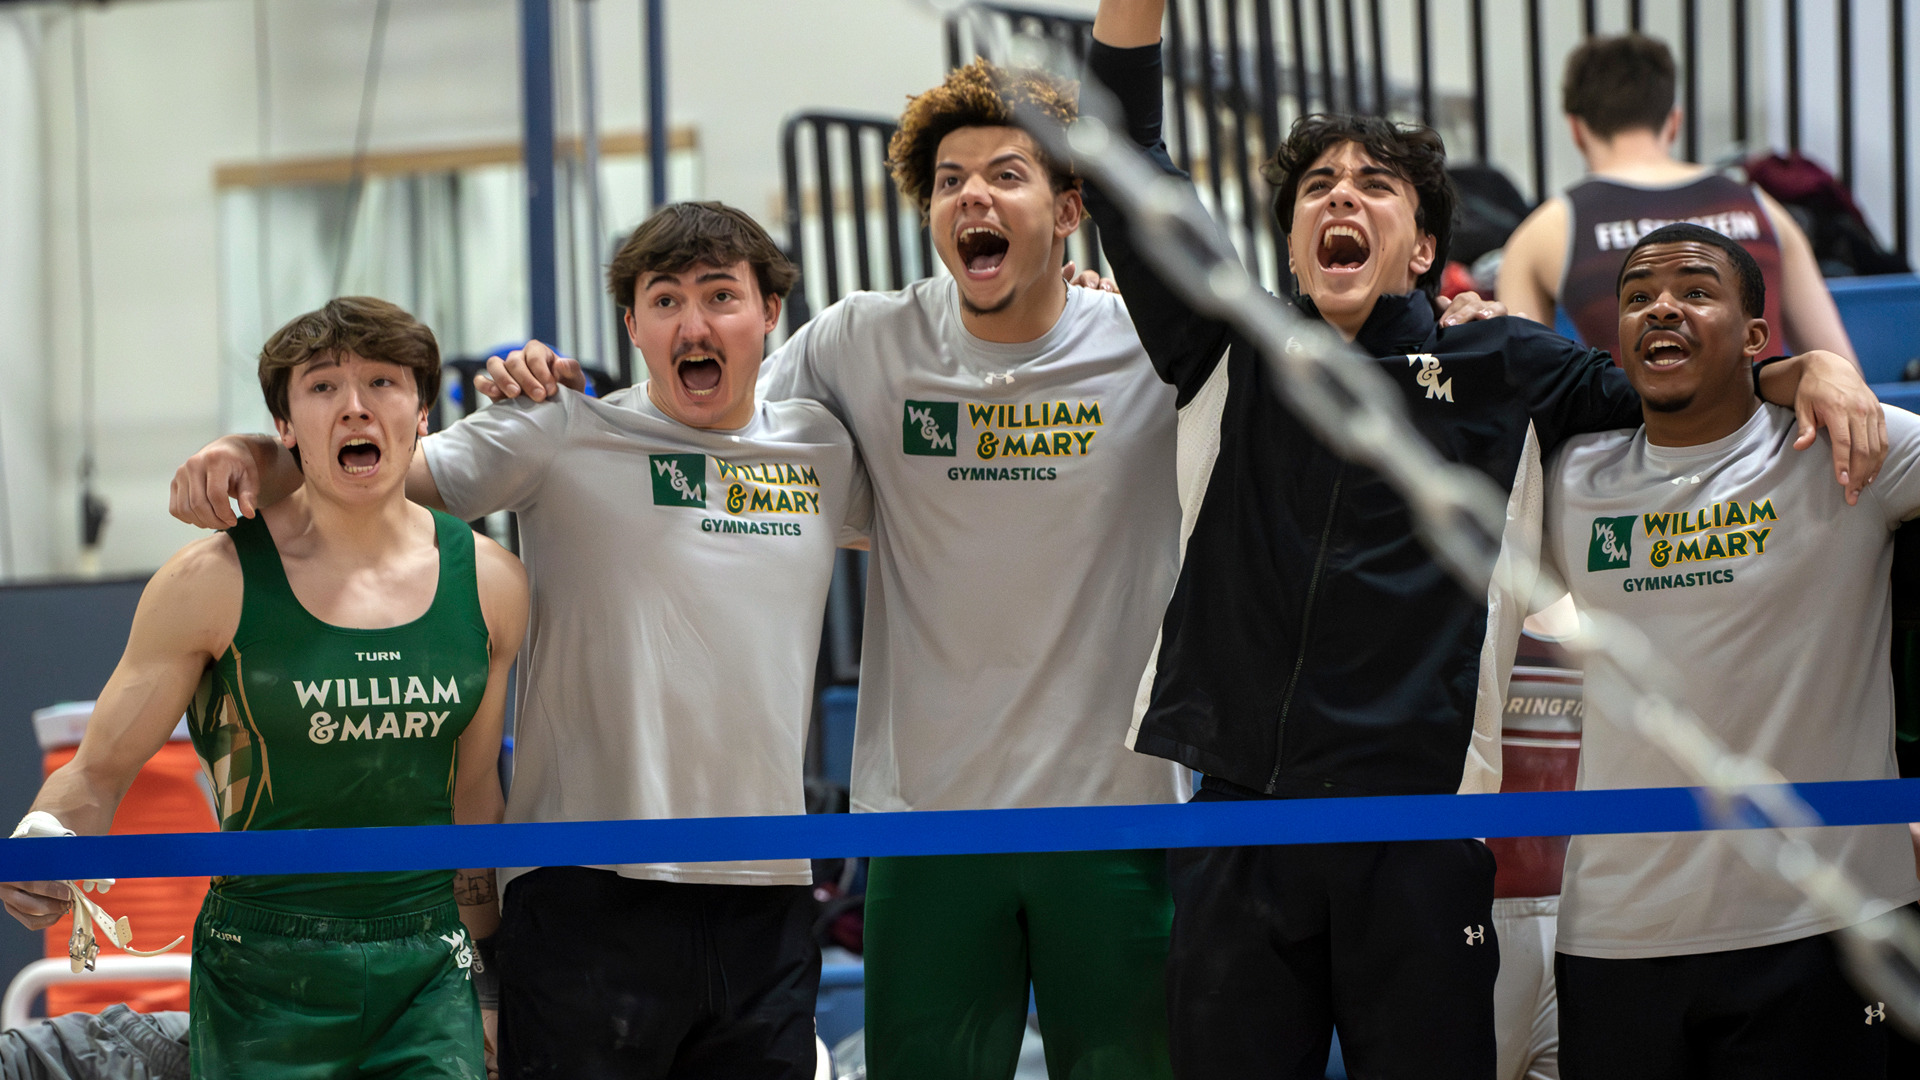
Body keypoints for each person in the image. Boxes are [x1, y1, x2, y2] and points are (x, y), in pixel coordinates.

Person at [1083, 2, 1883, 1077]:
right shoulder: (1227, 347)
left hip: (1419, 830)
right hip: (1239, 820)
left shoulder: (1508, 363)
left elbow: (1679, 392)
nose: (1341, 199)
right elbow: (1124, 145)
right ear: (1288, 241)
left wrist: (1801, 368)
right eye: (1318, 186)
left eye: (1375, 185)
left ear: (1422, 246)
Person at [167, 204, 869, 1079]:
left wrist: (1079, 304)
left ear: (769, 313)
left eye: (722, 296)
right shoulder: (558, 430)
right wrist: (249, 450)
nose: (694, 324)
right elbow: (370, 462)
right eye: (664, 301)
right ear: (633, 327)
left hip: (765, 891)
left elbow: (965, 503)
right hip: (585, 886)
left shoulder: (823, 451)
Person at [4, 296, 529, 1080]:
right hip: (263, 965)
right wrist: (42, 838)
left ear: (422, 412)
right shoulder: (208, 582)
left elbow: (474, 798)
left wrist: (488, 979)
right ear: (284, 426)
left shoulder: (492, 583)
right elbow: (95, 774)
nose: (355, 406)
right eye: (322, 387)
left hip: (427, 962)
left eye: (383, 382)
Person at [1543, 222, 1920, 1077]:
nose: (1660, 307)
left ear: (1757, 338)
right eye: (1637, 297)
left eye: (1696, 290)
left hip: (1826, 923)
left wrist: (1821, 373)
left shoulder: (1847, 444)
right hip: (1618, 935)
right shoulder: (1571, 478)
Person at [1497, 32, 1855, 363]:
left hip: (1641, 430)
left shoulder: (1547, 230)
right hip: (1772, 430)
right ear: (1674, 121)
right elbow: (1842, 372)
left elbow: (1522, 383)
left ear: (1575, 128)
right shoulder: (1762, 208)